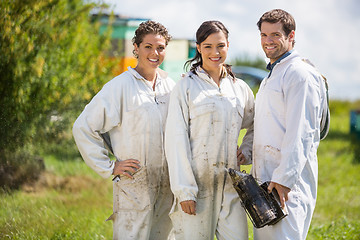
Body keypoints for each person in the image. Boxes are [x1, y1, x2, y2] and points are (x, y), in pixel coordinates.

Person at [72, 20, 175, 240]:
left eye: (160, 47)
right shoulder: (120, 86)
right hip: (134, 184)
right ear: (136, 48)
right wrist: (109, 166)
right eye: (148, 46)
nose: (154, 53)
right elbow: (83, 127)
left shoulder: (170, 87)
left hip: (167, 186)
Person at [165, 20, 255, 240]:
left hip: (232, 186)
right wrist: (185, 190)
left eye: (221, 46)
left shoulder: (239, 88)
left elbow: (255, 125)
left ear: (228, 45)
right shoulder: (186, 87)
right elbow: (175, 139)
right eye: (208, 46)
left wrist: (246, 150)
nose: (215, 52)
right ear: (198, 47)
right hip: (197, 186)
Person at [252, 9, 329, 240]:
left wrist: (285, 179)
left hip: (287, 186)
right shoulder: (273, 74)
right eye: (264, 35)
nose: (268, 41)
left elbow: (302, 132)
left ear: (291, 35)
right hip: (266, 181)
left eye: (275, 34)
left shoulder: (299, 73)